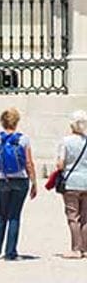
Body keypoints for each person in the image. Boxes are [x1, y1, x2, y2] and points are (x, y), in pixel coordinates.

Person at [0, 107, 37, 260]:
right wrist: (34, 181)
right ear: (17, 122)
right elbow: (29, 162)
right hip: (20, 180)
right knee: (14, 217)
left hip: (4, 179)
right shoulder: (24, 139)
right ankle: (10, 252)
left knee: (1, 215)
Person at [53, 109, 87, 258]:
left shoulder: (65, 141)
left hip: (71, 182)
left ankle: (76, 248)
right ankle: (85, 248)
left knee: (73, 217)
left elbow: (60, 164)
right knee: (85, 217)